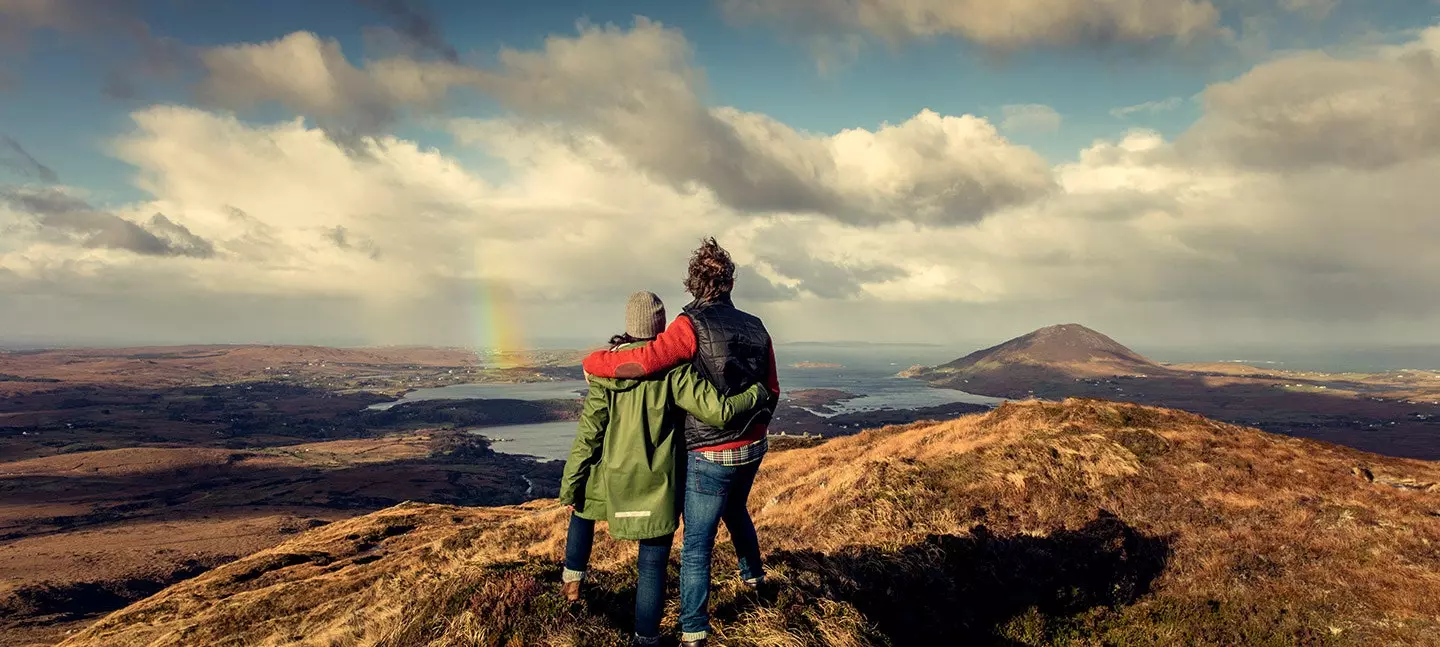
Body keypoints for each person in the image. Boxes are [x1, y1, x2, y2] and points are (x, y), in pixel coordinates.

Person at [580, 239, 778, 647]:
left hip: (711, 452)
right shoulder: (757, 325)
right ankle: (754, 577)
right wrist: (754, 426)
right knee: (737, 508)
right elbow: (771, 387)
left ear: (693, 283)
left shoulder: (689, 326)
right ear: (729, 282)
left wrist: (594, 362)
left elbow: (646, 361)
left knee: (696, 547)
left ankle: (693, 632)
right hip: (754, 445)